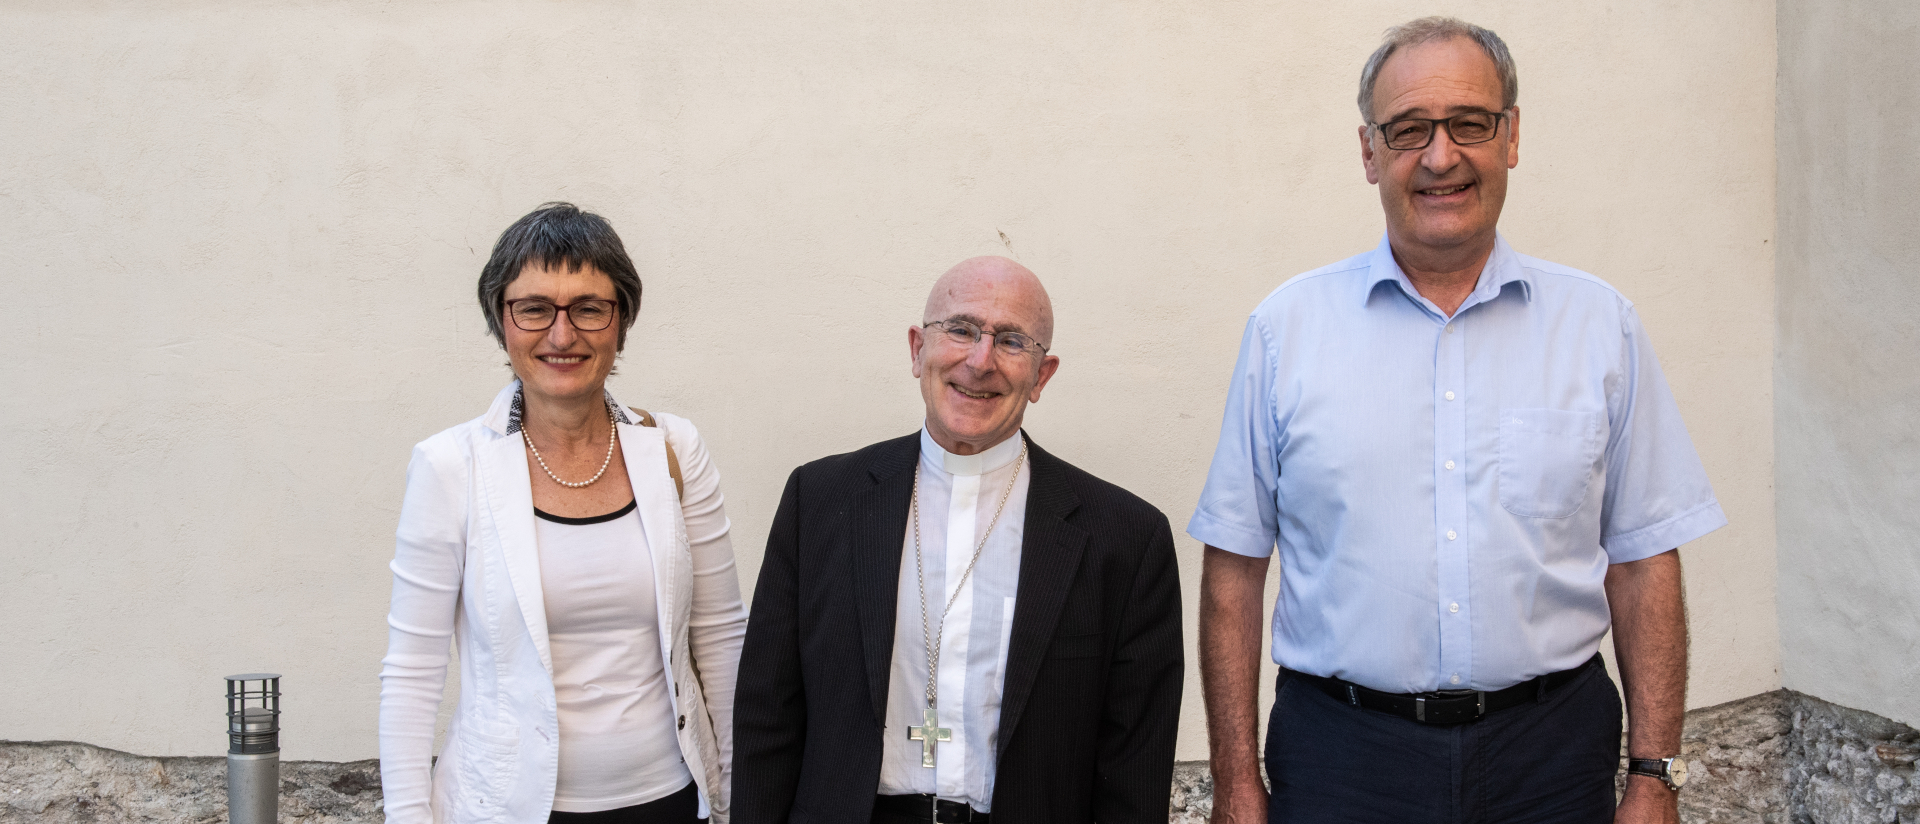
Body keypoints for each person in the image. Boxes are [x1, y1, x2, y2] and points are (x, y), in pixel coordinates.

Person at [1191, 18, 1725, 824]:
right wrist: (1235, 781)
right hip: (1342, 760)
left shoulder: (1598, 325)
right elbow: (1234, 568)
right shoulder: (1285, 330)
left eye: (1469, 124)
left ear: (1510, 138)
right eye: (1408, 131)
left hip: (1552, 756)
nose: (1441, 157)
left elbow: (1645, 557)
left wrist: (1654, 776)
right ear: (1369, 153)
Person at [731, 256, 1184, 824]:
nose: (980, 361)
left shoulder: (1125, 537)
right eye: (961, 330)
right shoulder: (820, 500)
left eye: (1012, 341)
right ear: (918, 348)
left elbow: (1134, 760)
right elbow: (767, 714)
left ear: (1042, 376)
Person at [380, 203, 747, 824]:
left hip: (670, 800)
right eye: (533, 308)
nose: (561, 334)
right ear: (502, 321)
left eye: (588, 307)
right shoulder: (451, 467)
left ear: (621, 320)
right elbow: (413, 672)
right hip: (508, 808)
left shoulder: (673, 451)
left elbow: (721, 640)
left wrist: (741, 799)